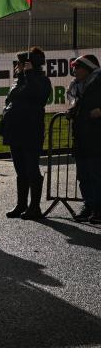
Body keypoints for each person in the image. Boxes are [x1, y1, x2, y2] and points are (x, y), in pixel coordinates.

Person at [0, 47, 52, 220]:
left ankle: (34, 207)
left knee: (31, 169)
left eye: (20, 64)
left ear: (29, 64)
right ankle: (21, 204)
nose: (17, 67)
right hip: (15, 131)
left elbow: (38, 96)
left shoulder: (41, 81)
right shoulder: (19, 81)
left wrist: (28, 75)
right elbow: (10, 100)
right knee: (20, 170)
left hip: (31, 131)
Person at [66, 54, 101, 223]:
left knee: (96, 173)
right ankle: (88, 205)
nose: (74, 70)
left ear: (88, 68)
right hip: (80, 134)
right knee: (83, 174)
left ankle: (99, 209)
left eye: (77, 67)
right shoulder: (76, 86)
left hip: (96, 135)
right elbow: (75, 103)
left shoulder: (99, 81)